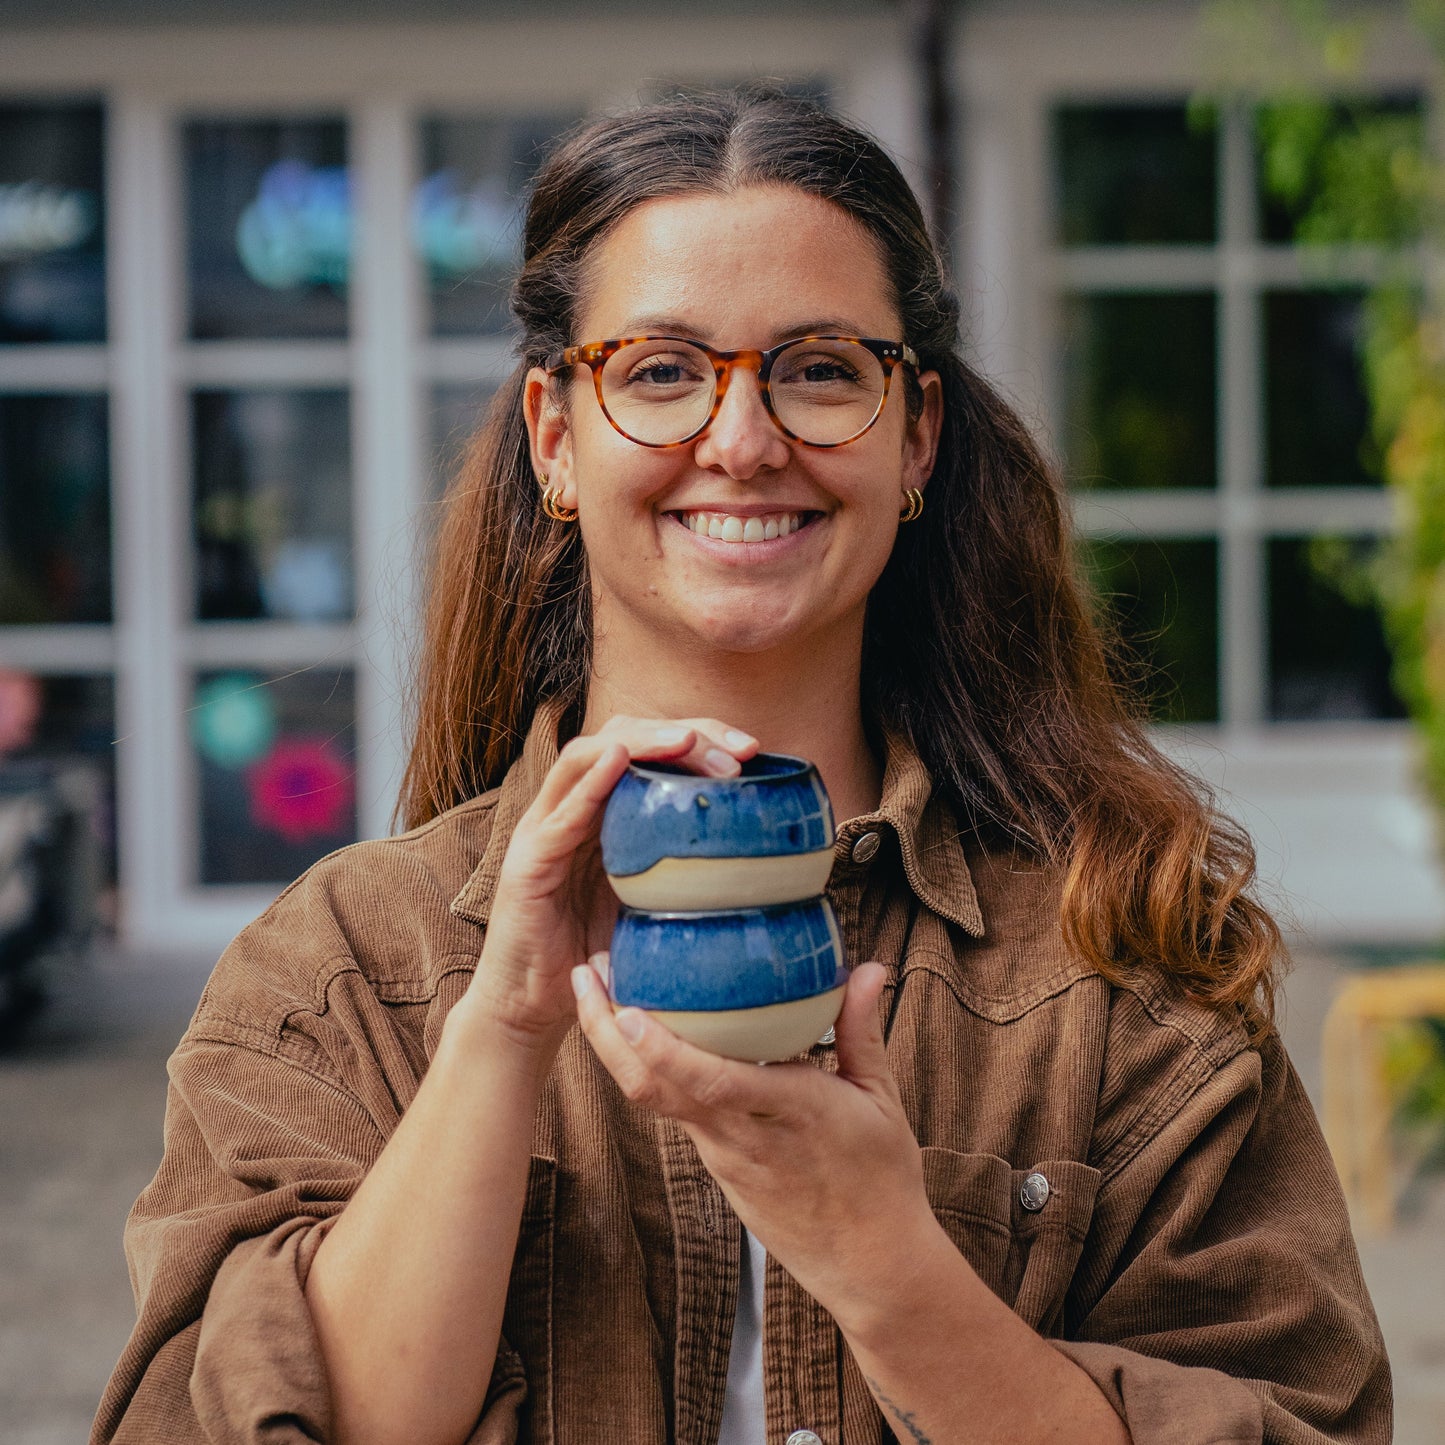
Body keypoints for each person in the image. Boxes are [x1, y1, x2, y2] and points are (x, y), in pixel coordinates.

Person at [93, 87, 1390, 1445]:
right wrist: (500, 1031)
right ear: (555, 437)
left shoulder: (1118, 968)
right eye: (659, 371)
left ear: (916, 437)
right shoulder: (342, 971)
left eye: (820, 368)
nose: (742, 436)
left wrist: (886, 1260)